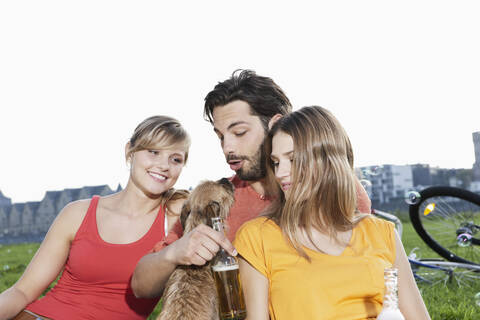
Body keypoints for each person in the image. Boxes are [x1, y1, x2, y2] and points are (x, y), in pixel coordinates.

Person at [131, 70, 371, 298]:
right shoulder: (213, 202)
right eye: (221, 136)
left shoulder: (334, 189)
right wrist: (174, 253)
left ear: (276, 125)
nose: (227, 148)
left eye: (240, 132)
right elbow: (140, 285)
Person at [233, 106, 431, 320]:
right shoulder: (257, 237)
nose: (280, 173)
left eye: (293, 159)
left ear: (328, 161)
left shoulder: (382, 232)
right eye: (276, 162)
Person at [0, 116, 190, 320]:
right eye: (153, 152)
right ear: (129, 152)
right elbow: (23, 291)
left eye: (175, 159)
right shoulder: (77, 213)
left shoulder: (176, 218)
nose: (164, 165)